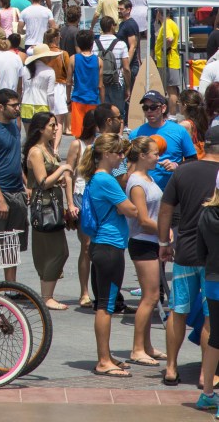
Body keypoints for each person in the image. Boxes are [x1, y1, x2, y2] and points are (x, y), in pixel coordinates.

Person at [159, 126, 219, 387]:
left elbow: (165, 209)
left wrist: (163, 242)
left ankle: (171, 368)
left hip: (184, 250)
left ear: (203, 146)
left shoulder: (183, 171)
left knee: (178, 310)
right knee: (210, 316)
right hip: (213, 255)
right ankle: (207, 374)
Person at [78, 133, 137, 378]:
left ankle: (106, 355)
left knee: (106, 303)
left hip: (105, 247)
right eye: (117, 153)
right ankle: (103, 360)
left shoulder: (100, 178)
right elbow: (131, 210)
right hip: (109, 248)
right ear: (105, 154)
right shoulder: (106, 180)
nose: (121, 157)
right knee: (106, 306)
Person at [123, 136, 167, 366]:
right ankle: (137, 348)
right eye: (154, 153)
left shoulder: (147, 177)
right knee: (149, 297)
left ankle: (147, 345)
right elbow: (142, 219)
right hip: (143, 242)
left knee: (153, 296)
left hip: (151, 241)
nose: (158, 158)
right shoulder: (137, 182)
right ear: (142, 155)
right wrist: (165, 230)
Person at [23, 112, 72, 310]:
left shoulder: (48, 148)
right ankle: (47, 296)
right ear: (41, 128)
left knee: (56, 250)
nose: (55, 128)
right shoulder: (36, 151)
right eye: (52, 125)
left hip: (53, 203)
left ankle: (47, 293)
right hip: (44, 206)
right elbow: (43, 182)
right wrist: (62, 169)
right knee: (56, 251)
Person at [0, 89, 29, 283]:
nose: (17, 109)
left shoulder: (14, 127)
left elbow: (15, 160)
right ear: (0, 107)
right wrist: (0, 199)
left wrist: (26, 184)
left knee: (11, 244)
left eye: (18, 104)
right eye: (13, 105)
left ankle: (11, 287)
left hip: (17, 192)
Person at [129, 90, 197, 190]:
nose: (149, 111)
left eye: (153, 107)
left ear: (163, 108)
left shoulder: (179, 131)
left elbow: (193, 159)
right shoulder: (135, 134)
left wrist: (176, 165)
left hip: (171, 190)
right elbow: (130, 163)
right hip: (144, 190)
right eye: (145, 108)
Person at [65, 110, 97, 306]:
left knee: (99, 246)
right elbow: (68, 174)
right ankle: (84, 292)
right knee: (86, 246)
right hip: (81, 196)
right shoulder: (78, 144)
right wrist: (69, 203)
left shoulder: (106, 143)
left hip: (99, 196)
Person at [196, 169, 219, 411]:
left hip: (212, 280)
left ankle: (207, 393)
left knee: (216, 337)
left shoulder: (206, 213)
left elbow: (200, 252)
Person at [92, 16, 131, 123]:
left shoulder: (94, 44)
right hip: (116, 82)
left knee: (103, 115)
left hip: (100, 83)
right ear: (112, 26)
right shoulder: (121, 44)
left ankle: (106, 136)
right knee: (119, 113)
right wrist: (128, 87)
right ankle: (118, 136)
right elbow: (126, 68)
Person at [68, 30, 103, 139]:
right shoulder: (99, 60)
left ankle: (79, 153)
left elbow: (68, 82)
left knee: (78, 133)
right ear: (92, 44)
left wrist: (68, 99)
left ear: (78, 44)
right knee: (92, 132)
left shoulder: (73, 59)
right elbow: (101, 85)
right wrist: (102, 102)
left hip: (78, 99)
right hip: (93, 99)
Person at [43, 29, 69, 149]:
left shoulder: (43, 53)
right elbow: (68, 72)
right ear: (55, 38)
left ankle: (47, 146)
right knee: (58, 121)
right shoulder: (63, 54)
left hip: (44, 86)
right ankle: (55, 148)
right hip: (59, 87)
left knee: (46, 120)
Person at [155, 10, 181, 115]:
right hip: (169, 61)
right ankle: (172, 114)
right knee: (172, 89)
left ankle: (172, 115)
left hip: (168, 61)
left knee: (171, 90)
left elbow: (169, 39)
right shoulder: (170, 23)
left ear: (160, 14)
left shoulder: (167, 24)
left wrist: (163, 49)